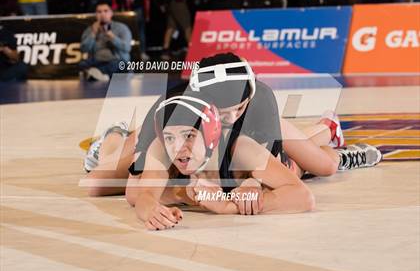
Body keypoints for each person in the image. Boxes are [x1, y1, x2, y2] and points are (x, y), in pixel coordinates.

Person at [83, 53, 381, 202]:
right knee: (99, 183)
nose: (231, 119)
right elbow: (139, 190)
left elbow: (270, 178)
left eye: (238, 109)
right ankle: (114, 137)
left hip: (258, 135)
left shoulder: (258, 105)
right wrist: (185, 193)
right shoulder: (174, 109)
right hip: (179, 136)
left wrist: (250, 186)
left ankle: (328, 131)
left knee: (321, 166)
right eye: (223, 114)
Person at [126, 92, 381, 230]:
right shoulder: (160, 147)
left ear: (210, 133)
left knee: (313, 166)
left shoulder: (240, 146)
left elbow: (304, 198)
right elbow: (143, 194)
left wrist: (231, 205)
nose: (178, 147)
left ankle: (334, 139)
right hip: (237, 166)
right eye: (170, 137)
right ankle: (325, 128)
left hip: (266, 145)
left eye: (189, 136)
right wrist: (163, 204)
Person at [80, 0, 132, 81]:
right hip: (97, 61)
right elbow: (83, 49)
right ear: (96, 14)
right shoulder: (90, 30)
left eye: (105, 11)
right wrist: (93, 34)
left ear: (111, 13)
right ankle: (102, 74)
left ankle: (98, 74)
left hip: (115, 60)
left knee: (120, 65)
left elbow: (127, 48)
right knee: (82, 64)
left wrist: (113, 37)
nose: (102, 14)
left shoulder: (121, 28)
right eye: (99, 12)